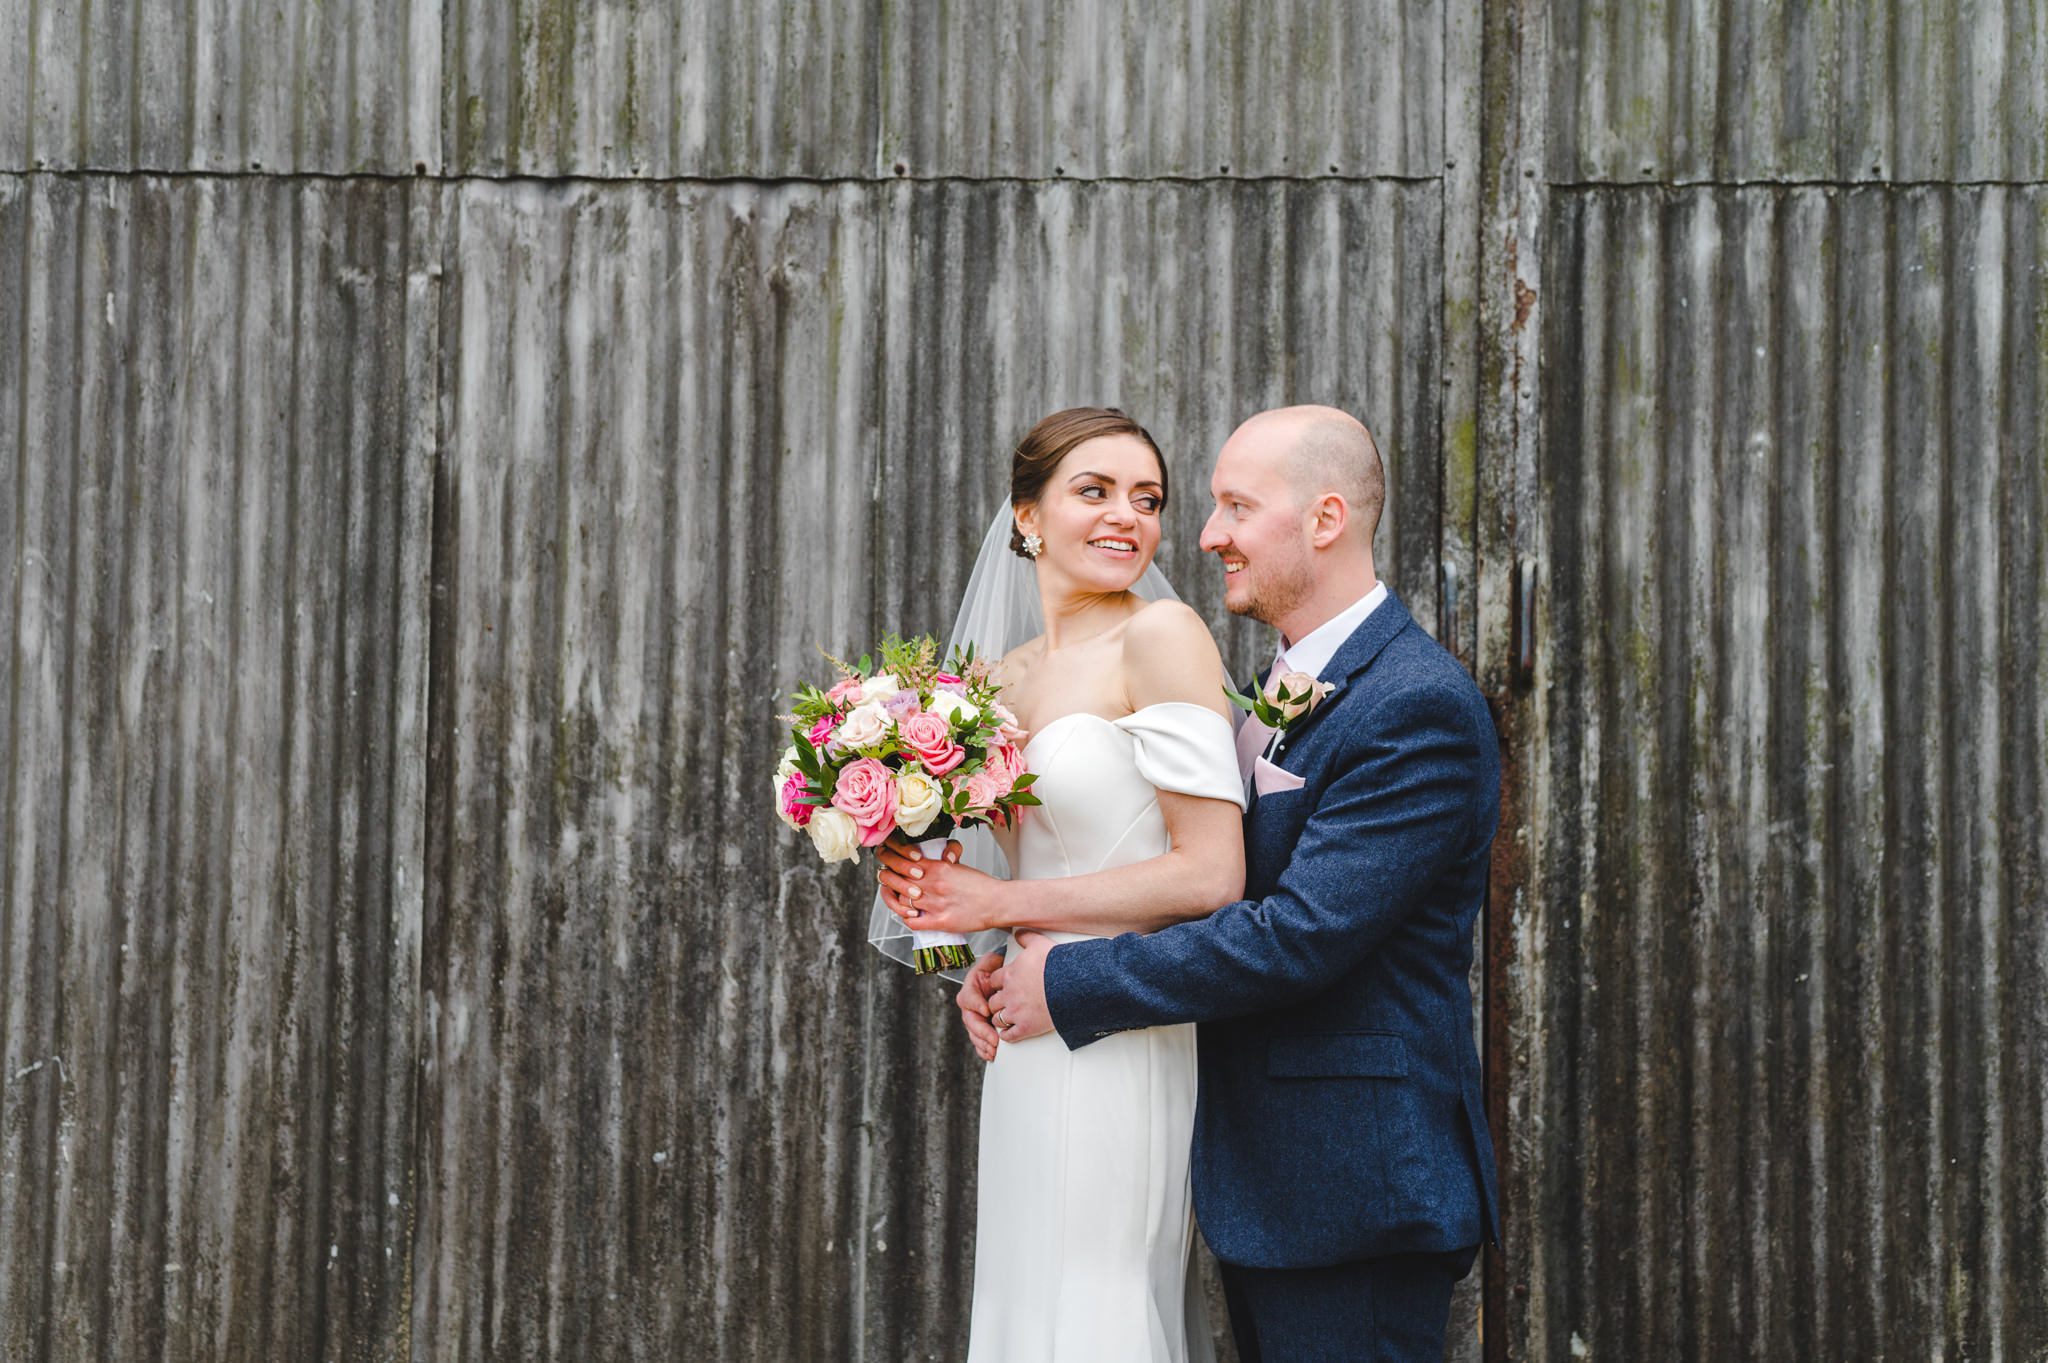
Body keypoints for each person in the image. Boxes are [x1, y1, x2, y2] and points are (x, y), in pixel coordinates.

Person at [889, 406, 1502, 1362]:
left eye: (1229, 506)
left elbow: (1291, 930)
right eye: (1204, 506)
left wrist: (1056, 970)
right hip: (1256, 1163)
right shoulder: (1283, 685)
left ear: (1325, 519)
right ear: (1027, 518)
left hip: (1353, 1178)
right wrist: (996, 960)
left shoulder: (1415, 702)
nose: (1203, 533)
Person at [873, 406, 1247, 1362]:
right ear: (1027, 516)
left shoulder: (1161, 637)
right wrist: (972, 958)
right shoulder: (994, 682)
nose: (1128, 515)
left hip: (1122, 1015)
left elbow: (1212, 873)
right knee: (1025, 1288)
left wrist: (1004, 908)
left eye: (1148, 498)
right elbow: (998, 874)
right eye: (1095, 490)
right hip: (1028, 1040)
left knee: (1099, 1299)